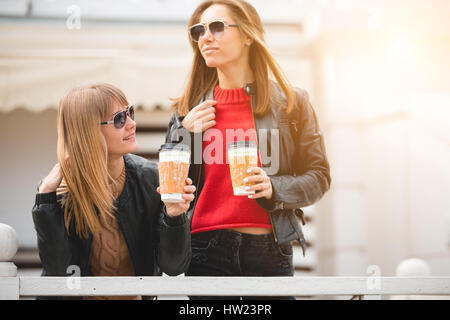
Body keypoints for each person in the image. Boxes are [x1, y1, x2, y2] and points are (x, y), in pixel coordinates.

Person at [165, 0, 332, 300]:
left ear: (248, 35)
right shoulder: (186, 111)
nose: (205, 36)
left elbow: (319, 177)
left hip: (269, 249)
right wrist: (182, 134)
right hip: (205, 250)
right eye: (198, 30)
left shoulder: (292, 103)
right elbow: (170, 189)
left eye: (217, 27)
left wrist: (274, 187)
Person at [32, 83, 195, 300]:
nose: (132, 124)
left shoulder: (151, 180)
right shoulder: (58, 193)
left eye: (130, 113)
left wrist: (175, 215)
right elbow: (59, 273)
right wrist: (45, 197)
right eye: (119, 119)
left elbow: (174, 267)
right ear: (88, 131)